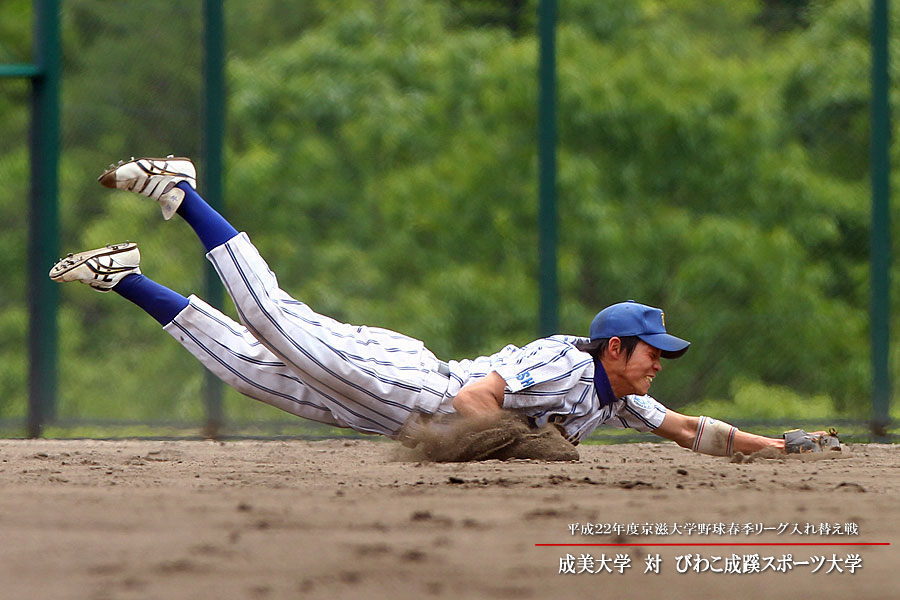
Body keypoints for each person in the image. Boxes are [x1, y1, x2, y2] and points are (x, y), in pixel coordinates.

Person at [50, 156, 787, 458]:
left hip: (392, 410)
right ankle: (183, 192)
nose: (661, 362)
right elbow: (474, 397)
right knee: (269, 320)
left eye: (664, 354)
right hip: (413, 383)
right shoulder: (565, 364)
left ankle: (126, 278)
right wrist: (529, 450)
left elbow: (692, 429)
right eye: (653, 349)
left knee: (250, 371)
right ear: (615, 348)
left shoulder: (614, 401)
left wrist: (778, 451)